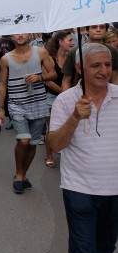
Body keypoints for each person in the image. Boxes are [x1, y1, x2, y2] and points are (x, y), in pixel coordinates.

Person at [48, 43, 118, 253]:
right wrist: (75, 117)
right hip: (79, 189)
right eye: (95, 66)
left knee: (106, 244)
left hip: (114, 189)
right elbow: (55, 144)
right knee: (83, 252)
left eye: (107, 64)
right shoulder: (65, 101)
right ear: (80, 69)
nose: (103, 70)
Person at [0, 33, 56, 193]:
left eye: (23, 32)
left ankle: (23, 174)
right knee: (23, 141)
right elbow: (2, 84)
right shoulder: (5, 59)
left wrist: (39, 77)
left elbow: (54, 74)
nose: (20, 35)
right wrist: (1, 109)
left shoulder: (41, 52)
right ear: (12, 37)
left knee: (33, 144)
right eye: (16, 33)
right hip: (17, 104)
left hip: (38, 103)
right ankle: (18, 174)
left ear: (29, 34)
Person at [43, 30, 74, 168]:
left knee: (66, 125)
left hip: (67, 94)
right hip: (50, 96)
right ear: (60, 42)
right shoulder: (49, 58)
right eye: (70, 40)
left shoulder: (71, 57)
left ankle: (63, 148)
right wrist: (63, 93)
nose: (73, 43)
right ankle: (49, 155)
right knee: (52, 127)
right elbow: (48, 81)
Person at [62, 24, 118, 90]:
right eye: (94, 27)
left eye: (102, 27)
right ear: (87, 30)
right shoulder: (75, 51)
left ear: (106, 30)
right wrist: (69, 99)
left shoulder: (113, 51)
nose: (98, 30)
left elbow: (114, 79)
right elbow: (66, 81)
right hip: (80, 94)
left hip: (106, 94)